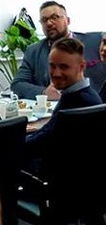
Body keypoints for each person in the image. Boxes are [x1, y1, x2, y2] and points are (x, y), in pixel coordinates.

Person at [25, 37, 103, 169]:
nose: (56, 73)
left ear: (82, 67)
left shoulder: (74, 105)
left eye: (64, 67)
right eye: (52, 66)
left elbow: (40, 143)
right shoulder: (90, 96)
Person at [11, 1, 101, 100]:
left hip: (93, 104)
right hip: (53, 107)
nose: (49, 23)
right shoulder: (33, 51)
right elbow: (17, 84)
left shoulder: (96, 42)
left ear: (68, 20)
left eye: (54, 17)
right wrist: (44, 92)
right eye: (44, 20)